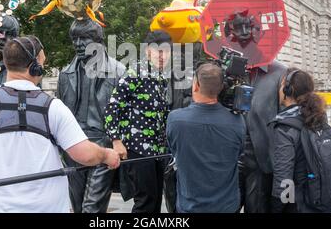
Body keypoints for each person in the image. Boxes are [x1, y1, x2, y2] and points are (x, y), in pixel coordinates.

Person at [0, 36, 120, 213]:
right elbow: (85, 155)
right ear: (36, 66)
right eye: (42, 62)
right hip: (43, 207)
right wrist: (106, 154)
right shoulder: (54, 107)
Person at [57, 18, 125, 213]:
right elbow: (59, 113)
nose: (78, 44)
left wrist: (118, 141)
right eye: (74, 39)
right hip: (73, 146)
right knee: (77, 206)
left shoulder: (118, 71)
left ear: (98, 40)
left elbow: (126, 113)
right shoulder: (65, 74)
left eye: (84, 38)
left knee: (92, 208)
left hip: (103, 145)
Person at [104, 30, 172, 213]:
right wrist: (116, 141)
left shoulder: (161, 77)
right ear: (148, 51)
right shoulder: (135, 72)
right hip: (138, 149)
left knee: (156, 200)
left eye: (166, 51)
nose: (162, 56)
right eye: (158, 51)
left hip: (157, 150)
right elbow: (113, 106)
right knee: (145, 202)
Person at [166, 62, 246, 213]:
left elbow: (174, 150)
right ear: (222, 88)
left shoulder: (175, 120)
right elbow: (239, 153)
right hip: (227, 206)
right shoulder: (237, 121)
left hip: (190, 207)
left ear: (195, 85)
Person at [229, 12, 288, 213]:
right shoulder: (223, 70)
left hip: (262, 159)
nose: (244, 35)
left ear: (260, 33)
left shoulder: (280, 72)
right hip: (229, 157)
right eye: (238, 29)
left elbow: (287, 119)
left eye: (250, 29)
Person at [269, 68, 328, 213]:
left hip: (299, 203)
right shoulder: (319, 117)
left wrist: (277, 207)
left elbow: (284, 178)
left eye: (282, 85)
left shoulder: (285, 126)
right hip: (321, 198)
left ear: (289, 90)